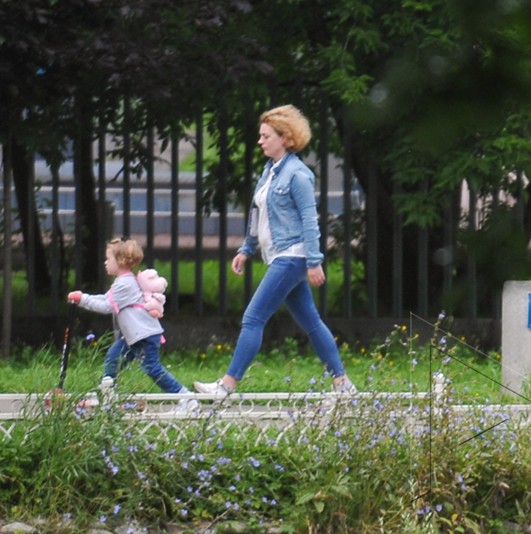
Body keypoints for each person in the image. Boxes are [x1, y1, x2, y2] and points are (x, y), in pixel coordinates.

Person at [194, 105, 355, 397]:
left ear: (285, 138)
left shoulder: (298, 175)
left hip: (292, 256)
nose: (260, 141)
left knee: (253, 318)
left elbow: (310, 219)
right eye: (261, 135)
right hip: (281, 257)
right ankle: (343, 384)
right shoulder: (269, 171)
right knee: (312, 322)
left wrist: (315, 261)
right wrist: (246, 249)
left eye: (266, 136)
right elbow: (257, 214)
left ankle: (226, 386)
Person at [67, 238, 191, 406]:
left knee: (152, 368)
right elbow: (106, 298)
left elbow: (106, 306)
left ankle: (186, 398)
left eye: (108, 259)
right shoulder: (122, 282)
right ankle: (105, 394)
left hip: (145, 335)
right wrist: (83, 298)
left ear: (120, 261)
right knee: (113, 357)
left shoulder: (125, 284)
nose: (105, 263)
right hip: (134, 336)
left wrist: (82, 299)